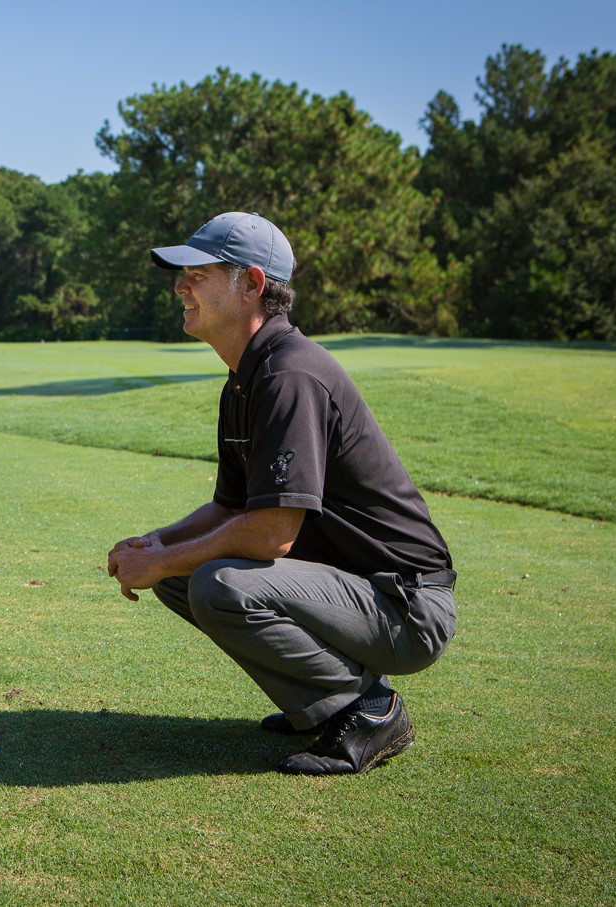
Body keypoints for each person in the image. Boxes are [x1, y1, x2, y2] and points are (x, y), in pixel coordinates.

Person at [107, 212, 456, 776]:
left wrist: (165, 558)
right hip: (356, 592)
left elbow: (272, 533)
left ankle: (368, 708)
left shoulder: (289, 374)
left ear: (252, 284)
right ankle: (318, 704)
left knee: (218, 583)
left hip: (406, 607)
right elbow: (230, 508)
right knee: (178, 574)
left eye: (198, 273)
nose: (180, 286)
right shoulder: (246, 376)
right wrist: (154, 545)